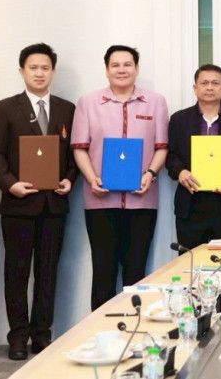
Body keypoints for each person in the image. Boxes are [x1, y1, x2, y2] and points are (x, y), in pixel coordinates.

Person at [0, 43, 77, 360]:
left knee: (48, 272)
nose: (39, 73)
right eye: (33, 68)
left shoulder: (67, 109)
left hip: (54, 205)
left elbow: (73, 154)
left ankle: (42, 335)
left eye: (45, 68)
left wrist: (70, 179)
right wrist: (10, 184)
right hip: (18, 206)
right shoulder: (5, 108)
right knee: (17, 272)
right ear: (22, 70)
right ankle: (17, 337)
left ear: (53, 71)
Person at [71, 45, 168, 310]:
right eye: (115, 65)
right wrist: (91, 178)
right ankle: (98, 329)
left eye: (127, 64)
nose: (122, 70)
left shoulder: (155, 102)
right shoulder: (88, 102)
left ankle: (135, 327)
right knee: (103, 271)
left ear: (137, 68)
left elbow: (162, 147)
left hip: (142, 200)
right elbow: (79, 147)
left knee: (136, 271)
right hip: (100, 201)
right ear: (106, 70)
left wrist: (150, 174)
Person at [166, 64, 221, 249]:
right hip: (190, 204)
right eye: (204, 83)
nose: (210, 87)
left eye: (215, 83)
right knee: (189, 260)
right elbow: (171, 156)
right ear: (195, 88)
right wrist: (181, 172)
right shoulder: (179, 119)